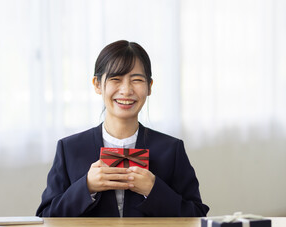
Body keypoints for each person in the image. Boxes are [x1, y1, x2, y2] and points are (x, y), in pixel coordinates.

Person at [36, 40, 209, 217]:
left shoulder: (171, 150)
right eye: (115, 79)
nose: (126, 90)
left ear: (149, 86)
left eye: (137, 80)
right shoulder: (70, 149)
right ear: (97, 84)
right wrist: (86, 186)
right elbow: (46, 217)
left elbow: (197, 217)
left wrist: (153, 190)